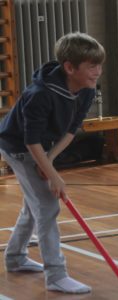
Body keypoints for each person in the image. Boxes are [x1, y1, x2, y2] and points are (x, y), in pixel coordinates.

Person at [0, 32, 105, 294]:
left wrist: (50, 160)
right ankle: (56, 275)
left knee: (34, 205)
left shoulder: (86, 90)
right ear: (70, 67)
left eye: (99, 65)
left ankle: (15, 258)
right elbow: (29, 141)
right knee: (46, 207)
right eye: (91, 66)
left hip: (42, 147)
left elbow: (71, 130)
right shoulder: (40, 94)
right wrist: (53, 175)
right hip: (17, 146)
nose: (98, 72)